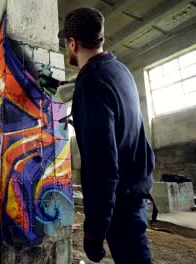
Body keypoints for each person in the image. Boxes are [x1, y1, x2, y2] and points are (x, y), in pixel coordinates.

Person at [61, 7, 155, 264]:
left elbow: (103, 166)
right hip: (136, 191)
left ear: (72, 43)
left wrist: (95, 230)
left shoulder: (90, 84)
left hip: (120, 205)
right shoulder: (120, 70)